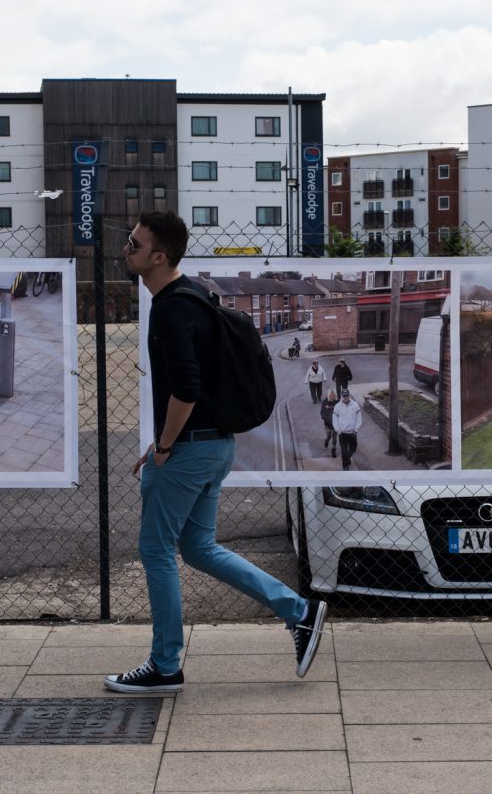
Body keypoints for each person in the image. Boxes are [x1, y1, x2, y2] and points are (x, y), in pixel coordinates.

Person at [103, 211, 326, 694]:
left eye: (135, 245)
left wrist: (165, 445)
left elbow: (186, 387)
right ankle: (299, 610)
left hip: (186, 451)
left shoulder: (170, 308)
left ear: (159, 257)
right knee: (198, 548)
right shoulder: (197, 294)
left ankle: (165, 666)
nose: (126, 249)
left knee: (155, 550)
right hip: (213, 446)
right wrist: (164, 440)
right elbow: (193, 389)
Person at [332, 388, 363, 470]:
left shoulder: (355, 405)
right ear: (341, 396)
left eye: (347, 396)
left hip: (353, 433)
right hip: (342, 433)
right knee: (344, 450)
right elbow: (334, 420)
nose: (345, 397)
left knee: (354, 447)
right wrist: (337, 430)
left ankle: (347, 458)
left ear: (349, 395)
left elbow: (359, 419)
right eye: (344, 396)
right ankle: (345, 465)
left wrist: (356, 429)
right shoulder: (337, 406)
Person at [319, 388, 338, 457]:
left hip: (336, 424)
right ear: (328, 395)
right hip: (327, 423)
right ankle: (326, 441)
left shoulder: (337, 402)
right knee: (329, 435)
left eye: (333, 395)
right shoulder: (325, 402)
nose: (332, 396)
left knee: (334, 437)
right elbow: (322, 411)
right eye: (331, 395)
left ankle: (333, 450)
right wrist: (323, 417)